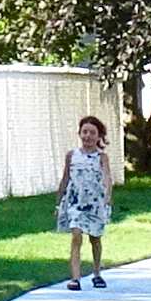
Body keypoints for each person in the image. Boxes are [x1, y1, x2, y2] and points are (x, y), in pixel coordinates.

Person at [56, 114, 115, 291]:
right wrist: (58, 203)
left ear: (99, 136)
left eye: (92, 133)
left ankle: (97, 273)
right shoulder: (72, 155)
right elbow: (65, 178)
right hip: (75, 201)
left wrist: (108, 196)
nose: (88, 136)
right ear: (79, 133)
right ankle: (75, 278)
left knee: (95, 238)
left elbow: (107, 177)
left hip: (95, 203)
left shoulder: (101, 157)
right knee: (76, 235)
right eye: (85, 132)